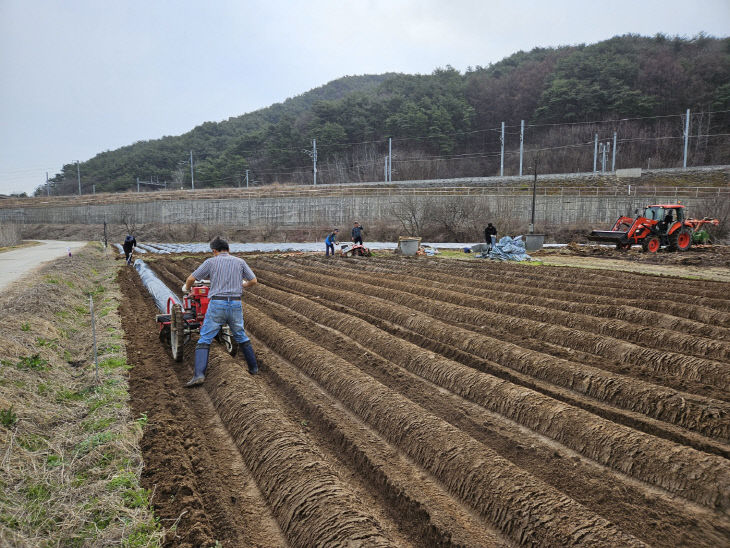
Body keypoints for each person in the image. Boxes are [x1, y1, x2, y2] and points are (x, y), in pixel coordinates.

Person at [182, 237, 259, 386]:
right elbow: (254, 281)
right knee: (240, 335)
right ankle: (253, 368)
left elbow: (191, 278)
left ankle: (198, 375)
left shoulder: (211, 262)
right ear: (229, 250)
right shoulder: (240, 262)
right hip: (235, 303)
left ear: (214, 251)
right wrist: (243, 285)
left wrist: (186, 288)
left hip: (217, 303)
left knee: (205, 337)